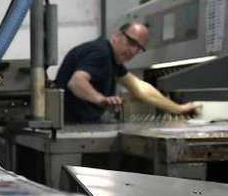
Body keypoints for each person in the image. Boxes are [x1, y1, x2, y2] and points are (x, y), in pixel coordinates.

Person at [54, 21, 201, 123]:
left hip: (76, 124)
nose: (133, 51)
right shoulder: (100, 52)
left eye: (139, 48)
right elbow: (76, 82)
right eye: (131, 42)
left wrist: (178, 108)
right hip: (70, 126)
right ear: (117, 36)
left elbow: (140, 88)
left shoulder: (112, 59)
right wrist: (101, 100)